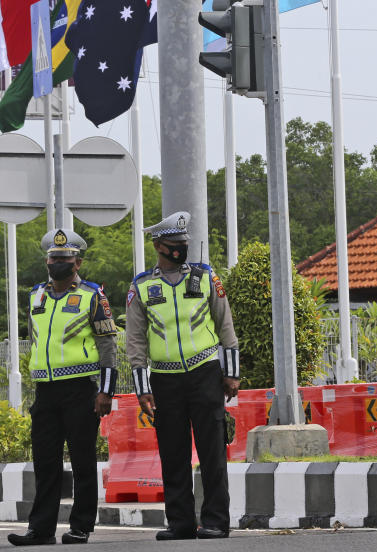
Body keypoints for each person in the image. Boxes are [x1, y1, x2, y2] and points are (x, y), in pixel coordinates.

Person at [126, 211, 240, 541]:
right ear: (159, 246)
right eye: (175, 244)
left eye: (184, 243)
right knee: (173, 453)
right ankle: (180, 523)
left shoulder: (205, 277)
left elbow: (225, 325)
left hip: (205, 373)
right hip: (164, 379)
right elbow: (134, 340)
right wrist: (142, 389)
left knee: (212, 452)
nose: (180, 249)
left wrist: (231, 373)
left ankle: (216, 521)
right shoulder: (142, 286)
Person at [8, 228, 118, 547]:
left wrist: (106, 391)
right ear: (47, 261)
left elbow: (108, 345)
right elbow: (35, 340)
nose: (58, 262)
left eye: (65, 258)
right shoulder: (36, 296)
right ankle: (40, 529)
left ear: (77, 263)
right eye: (54, 258)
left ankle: (80, 527)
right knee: (45, 463)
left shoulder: (93, 296)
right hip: (46, 391)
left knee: (83, 461)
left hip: (81, 389)